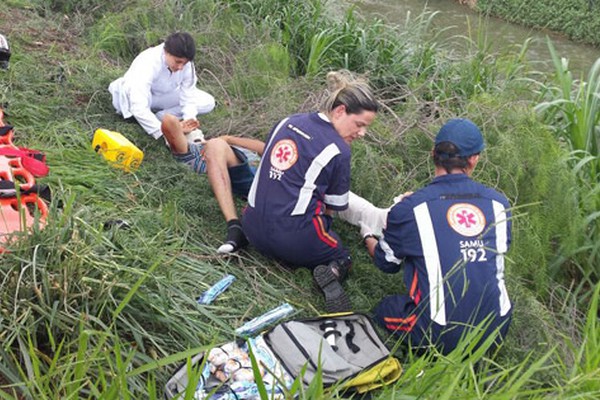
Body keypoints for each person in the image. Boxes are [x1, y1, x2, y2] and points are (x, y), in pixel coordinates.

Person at [362, 118, 512, 355]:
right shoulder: (499, 204)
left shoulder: (412, 209)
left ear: (433, 154)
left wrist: (367, 235)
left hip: (438, 333)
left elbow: (385, 262)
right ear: (474, 159)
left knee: (385, 308)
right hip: (496, 328)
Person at [242, 70, 379, 313]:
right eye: (359, 125)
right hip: (291, 239)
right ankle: (333, 270)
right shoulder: (339, 150)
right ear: (340, 111)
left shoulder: (288, 121)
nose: (362, 133)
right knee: (342, 254)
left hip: (250, 226)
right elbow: (333, 207)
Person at [160, 113, 264, 253]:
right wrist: (227, 139)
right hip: (243, 173)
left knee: (216, 144)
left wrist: (227, 139)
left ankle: (236, 228)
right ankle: (234, 225)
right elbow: (168, 120)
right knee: (216, 144)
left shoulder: (210, 145)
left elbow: (267, 148)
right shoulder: (191, 155)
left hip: (252, 166)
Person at [109, 32, 215, 142]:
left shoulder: (186, 65)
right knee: (139, 107)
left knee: (207, 102)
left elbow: (188, 94)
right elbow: (138, 106)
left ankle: (161, 118)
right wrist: (163, 132)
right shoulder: (148, 62)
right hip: (134, 98)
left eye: (185, 63)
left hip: (162, 96)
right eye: (178, 62)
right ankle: (156, 123)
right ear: (166, 52)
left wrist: (190, 121)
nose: (181, 67)